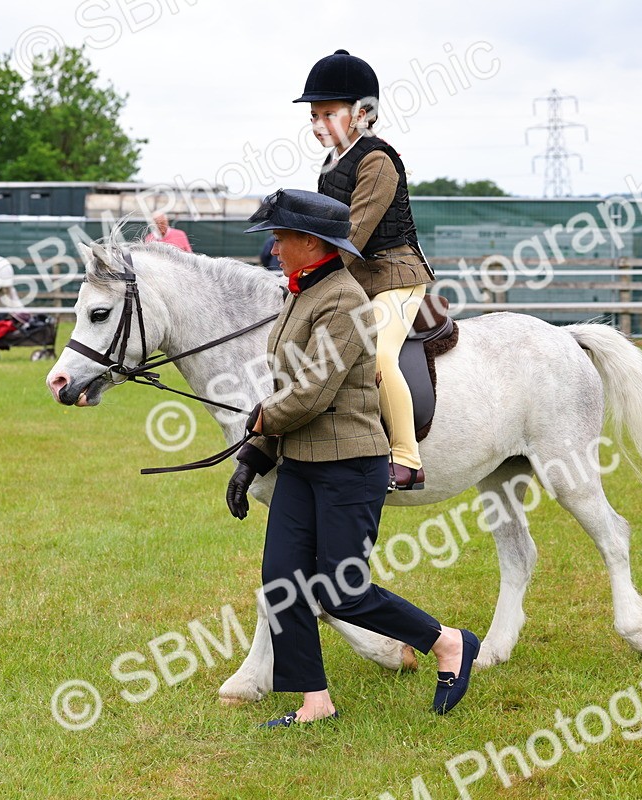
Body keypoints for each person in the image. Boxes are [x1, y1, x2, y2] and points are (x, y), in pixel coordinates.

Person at [226, 189, 479, 728]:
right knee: (282, 583)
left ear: (310, 243)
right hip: (301, 465)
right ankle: (315, 700)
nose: (272, 247)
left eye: (279, 237)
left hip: (349, 467)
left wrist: (262, 420)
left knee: (343, 591)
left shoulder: (343, 301)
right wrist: (256, 453)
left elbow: (312, 391)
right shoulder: (299, 293)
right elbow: (286, 383)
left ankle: (450, 643)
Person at [296, 49, 434, 491]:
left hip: (397, 277)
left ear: (363, 113)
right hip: (356, 279)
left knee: (377, 353)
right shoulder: (331, 164)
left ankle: (408, 458)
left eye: (328, 114)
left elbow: (352, 236)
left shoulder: (377, 160)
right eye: (313, 116)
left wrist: (312, 275)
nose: (317, 125)